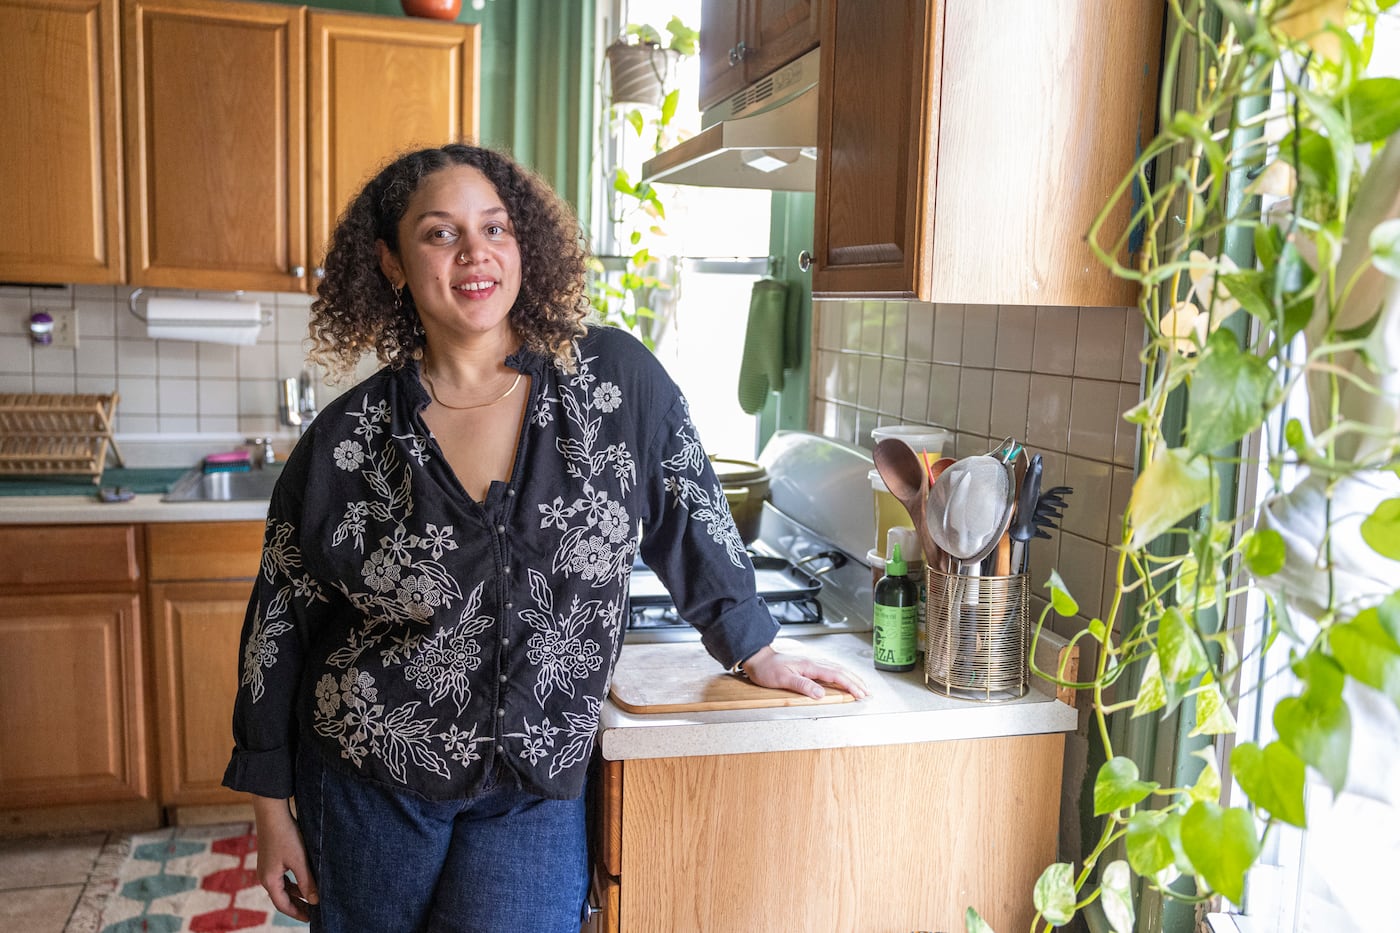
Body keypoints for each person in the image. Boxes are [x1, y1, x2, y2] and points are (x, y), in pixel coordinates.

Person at [223, 142, 869, 932]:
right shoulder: (346, 440)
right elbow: (279, 621)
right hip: (370, 781)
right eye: (440, 233)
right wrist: (269, 808)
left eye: (495, 227)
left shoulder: (612, 382)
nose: (475, 253)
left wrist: (754, 644)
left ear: (524, 243)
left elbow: (692, 515)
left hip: (533, 788)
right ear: (391, 263)